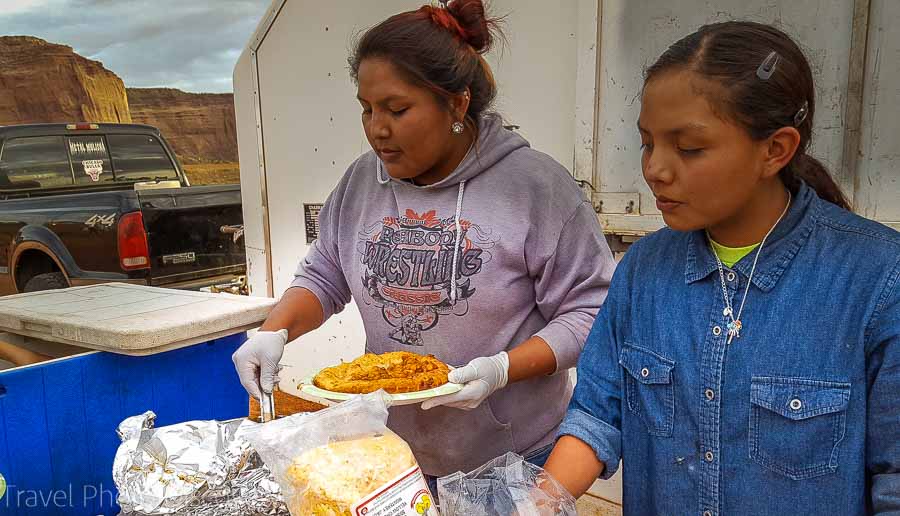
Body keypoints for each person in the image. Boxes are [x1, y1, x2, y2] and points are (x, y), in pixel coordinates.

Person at [232, 0, 616, 481]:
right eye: (366, 109)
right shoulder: (361, 182)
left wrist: (502, 368)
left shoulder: (535, 188)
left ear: (456, 103)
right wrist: (276, 331)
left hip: (514, 458)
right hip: (396, 453)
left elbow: (593, 312)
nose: (377, 129)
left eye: (397, 109)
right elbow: (325, 274)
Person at [543, 20, 900, 515]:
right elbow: (597, 417)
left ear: (775, 149)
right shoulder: (644, 270)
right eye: (648, 142)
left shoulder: (877, 278)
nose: (655, 169)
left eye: (688, 148)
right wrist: (534, 504)